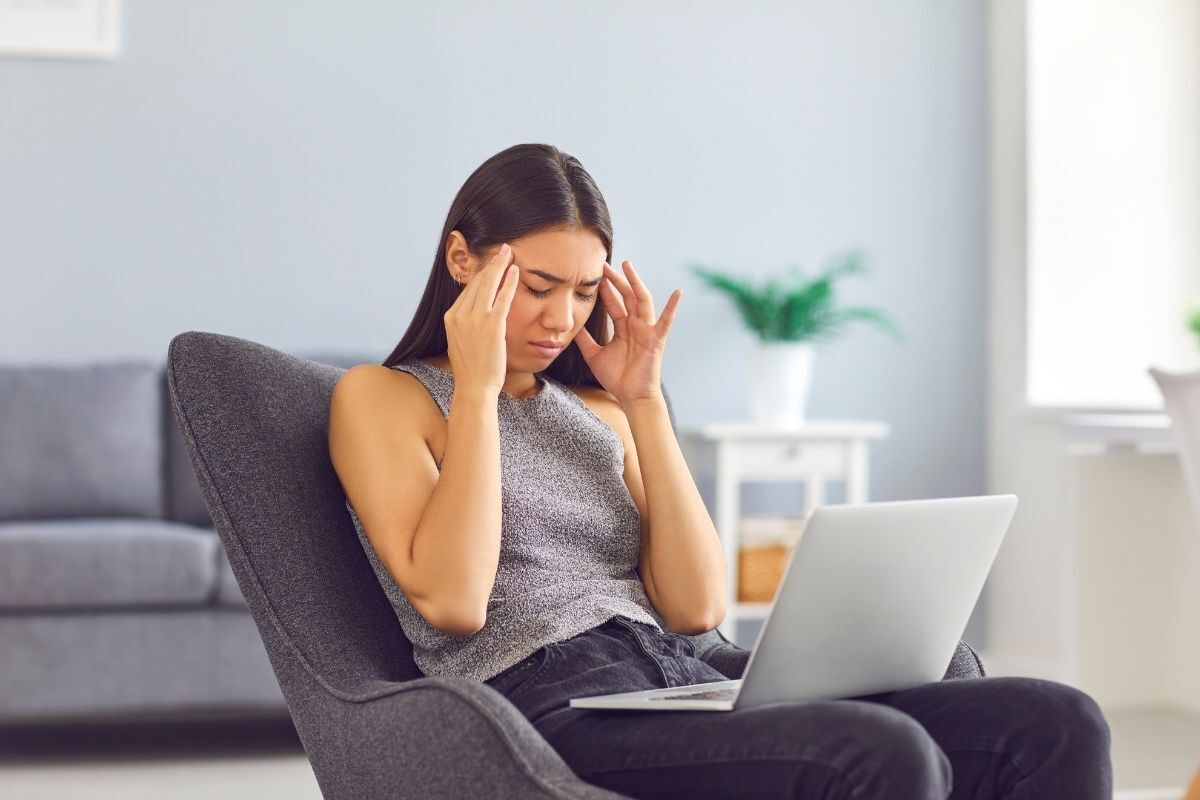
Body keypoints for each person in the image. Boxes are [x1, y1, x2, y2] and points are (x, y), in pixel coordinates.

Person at [327, 143, 1113, 799]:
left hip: (680, 672)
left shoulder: (601, 411)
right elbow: (455, 602)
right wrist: (476, 388)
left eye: (584, 291)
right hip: (547, 701)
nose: (562, 319)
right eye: (536, 287)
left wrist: (644, 405)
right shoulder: (386, 399)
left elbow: (695, 604)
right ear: (462, 259)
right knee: (877, 751)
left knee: (1059, 721)